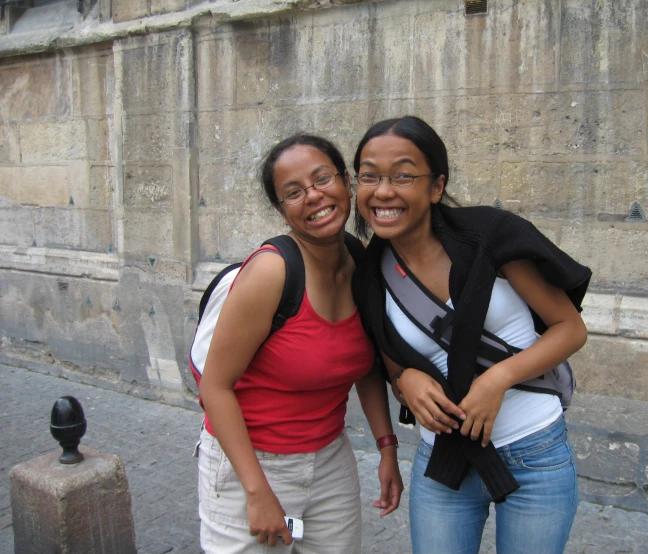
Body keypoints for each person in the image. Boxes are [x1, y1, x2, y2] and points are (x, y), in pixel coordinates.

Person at [351, 116, 592, 554]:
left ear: (436, 186)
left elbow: (570, 329)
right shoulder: (369, 274)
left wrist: (496, 379)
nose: (383, 191)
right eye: (369, 176)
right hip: (444, 461)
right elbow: (392, 365)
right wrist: (405, 382)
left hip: (533, 452)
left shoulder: (490, 236)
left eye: (403, 175)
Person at [196, 134, 403, 554]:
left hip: (329, 462)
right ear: (281, 209)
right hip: (250, 465)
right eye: (293, 192)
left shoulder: (358, 257)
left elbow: (364, 365)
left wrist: (387, 446)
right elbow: (214, 388)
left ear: (345, 182)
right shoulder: (271, 273)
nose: (313, 196)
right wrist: (257, 492)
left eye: (322, 178)